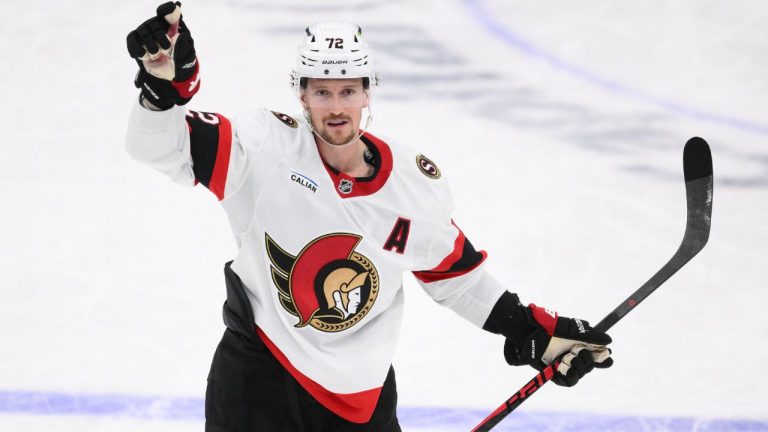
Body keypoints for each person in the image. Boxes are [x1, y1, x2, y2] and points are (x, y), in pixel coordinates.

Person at [124, 3, 614, 431]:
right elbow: (156, 148)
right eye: (321, 92)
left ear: (367, 92)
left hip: (362, 400)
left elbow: (456, 279)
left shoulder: (413, 188)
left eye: (347, 91)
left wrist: (531, 331)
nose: (336, 108)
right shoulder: (262, 151)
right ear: (301, 95)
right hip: (258, 381)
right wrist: (159, 92)